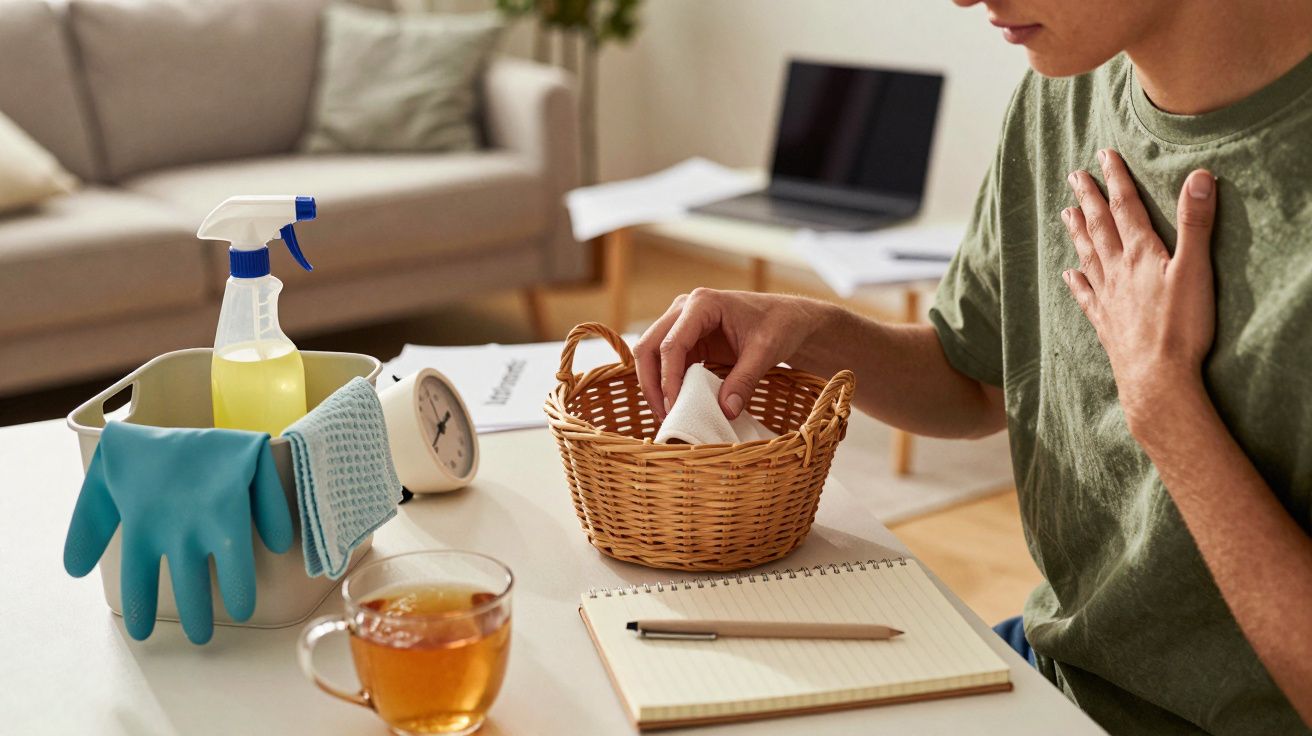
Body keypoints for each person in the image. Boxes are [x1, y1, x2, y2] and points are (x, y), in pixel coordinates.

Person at [633, 1, 1312, 733]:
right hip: (1050, 671)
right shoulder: (1064, 89)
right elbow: (976, 383)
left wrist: (1162, 403)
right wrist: (808, 329)